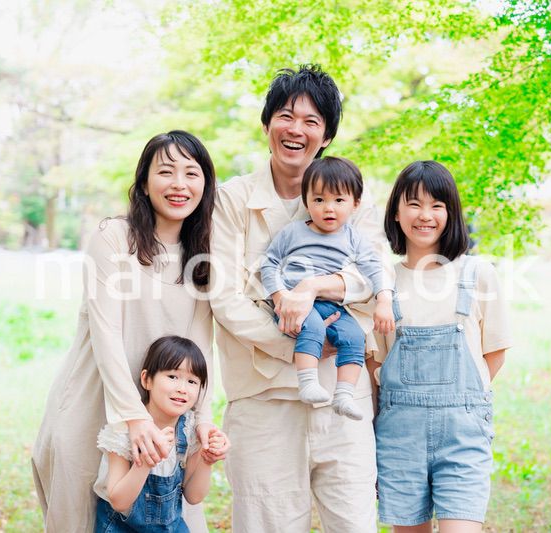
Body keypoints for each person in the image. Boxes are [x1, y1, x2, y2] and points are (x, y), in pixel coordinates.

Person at [210, 64, 389, 532]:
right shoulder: (232, 201)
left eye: (312, 122)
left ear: (326, 135)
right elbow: (225, 299)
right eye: (287, 116)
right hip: (264, 401)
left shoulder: (356, 199)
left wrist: (311, 287)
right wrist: (300, 343)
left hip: (341, 398)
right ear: (267, 123)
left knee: (354, 523)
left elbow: (373, 281)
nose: (297, 130)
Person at [32, 131, 220, 532]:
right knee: (79, 520)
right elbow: (106, 333)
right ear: (144, 181)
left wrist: (201, 418)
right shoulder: (114, 237)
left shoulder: (204, 255)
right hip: (92, 402)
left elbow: (201, 348)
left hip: (166, 412)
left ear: (205, 184)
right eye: (166, 172)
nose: (179, 184)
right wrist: (133, 418)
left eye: (192, 173)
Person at [371, 161, 512, 532]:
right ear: (396, 213)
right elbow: (377, 365)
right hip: (399, 435)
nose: (425, 215)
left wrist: (458, 402)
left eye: (437, 205)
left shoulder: (478, 273)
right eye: (414, 204)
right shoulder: (384, 281)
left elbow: (493, 355)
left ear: (451, 212)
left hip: (463, 434)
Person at [260, 156, 394, 421]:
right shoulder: (293, 232)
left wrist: (384, 300)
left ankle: (344, 394)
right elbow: (269, 264)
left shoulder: (353, 237)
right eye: (319, 200)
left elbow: (375, 268)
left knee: (355, 335)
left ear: (355, 204)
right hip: (295, 303)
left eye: (339, 200)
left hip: (332, 304)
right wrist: (280, 298)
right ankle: (307, 382)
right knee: (313, 326)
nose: (328, 208)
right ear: (306, 201)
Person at [94, 335, 229, 533]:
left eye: (192, 381)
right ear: (146, 380)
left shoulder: (188, 429)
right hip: (121, 528)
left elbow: (193, 496)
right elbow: (119, 502)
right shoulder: (124, 430)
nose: (182, 389)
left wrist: (206, 461)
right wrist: (147, 461)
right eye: (172, 377)